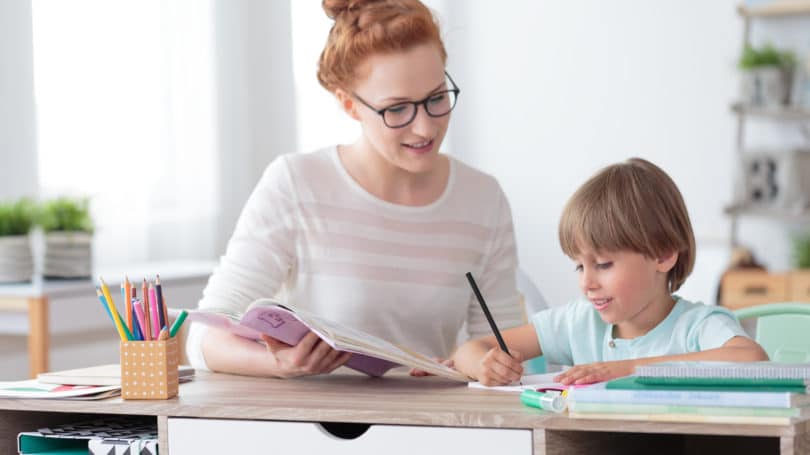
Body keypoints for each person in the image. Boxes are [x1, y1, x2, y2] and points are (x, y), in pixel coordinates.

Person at [185, 0, 525, 378]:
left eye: (436, 98)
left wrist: (481, 365)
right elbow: (204, 339)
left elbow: (506, 344)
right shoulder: (297, 185)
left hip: (430, 410)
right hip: (314, 412)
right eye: (397, 109)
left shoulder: (482, 199)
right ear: (349, 105)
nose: (425, 128)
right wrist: (280, 364)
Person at [451, 158, 768, 386]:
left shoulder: (697, 327)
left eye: (603, 265)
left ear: (663, 254)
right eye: (580, 266)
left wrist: (627, 369)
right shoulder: (579, 322)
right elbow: (468, 350)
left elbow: (751, 358)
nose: (586, 282)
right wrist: (484, 366)